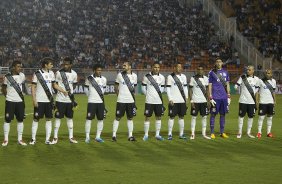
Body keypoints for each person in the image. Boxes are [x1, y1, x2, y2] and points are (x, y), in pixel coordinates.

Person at [29, 57, 67, 145]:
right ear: (46, 65)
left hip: (49, 101)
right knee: (36, 119)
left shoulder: (52, 73)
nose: (52, 66)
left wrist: (63, 90)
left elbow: (54, 85)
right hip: (39, 100)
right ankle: (33, 139)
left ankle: (47, 139)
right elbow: (33, 86)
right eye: (51, 64)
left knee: (49, 119)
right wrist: (34, 99)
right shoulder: (37, 73)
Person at [52, 57, 78, 144]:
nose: (65, 65)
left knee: (70, 118)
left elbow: (74, 85)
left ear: (71, 65)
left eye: (67, 64)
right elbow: (54, 84)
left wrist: (70, 93)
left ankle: (71, 137)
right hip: (60, 100)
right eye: (64, 64)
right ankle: (55, 137)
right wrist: (62, 91)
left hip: (69, 100)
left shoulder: (74, 74)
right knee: (58, 118)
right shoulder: (59, 73)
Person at [1, 60, 27, 146]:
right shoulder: (7, 76)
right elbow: (3, 88)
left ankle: (20, 139)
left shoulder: (22, 75)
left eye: (20, 66)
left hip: (19, 101)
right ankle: (6, 139)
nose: (20, 68)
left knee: (20, 120)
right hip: (10, 101)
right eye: (18, 66)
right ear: (13, 67)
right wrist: (7, 96)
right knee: (7, 120)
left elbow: (22, 85)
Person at [112, 61, 138, 142]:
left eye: (125, 65)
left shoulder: (135, 76)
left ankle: (130, 136)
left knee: (130, 118)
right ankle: (114, 135)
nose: (123, 67)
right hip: (121, 100)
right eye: (123, 65)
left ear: (129, 66)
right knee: (118, 117)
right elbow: (115, 86)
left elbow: (134, 88)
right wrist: (118, 95)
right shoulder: (120, 75)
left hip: (130, 100)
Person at [141, 62, 166, 141]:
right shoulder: (147, 76)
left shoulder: (162, 77)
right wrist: (148, 95)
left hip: (158, 101)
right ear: (152, 67)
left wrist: (157, 95)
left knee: (159, 117)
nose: (156, 69)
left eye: (158, 67)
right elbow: (143, 88)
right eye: (155, 67)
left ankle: (157, 135)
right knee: (147, 117)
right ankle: (146, 135)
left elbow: (162, 89)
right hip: (149, 101)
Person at [234, 65, 260, 138]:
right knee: (241, 116)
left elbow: (257, 91)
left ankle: (249, 132)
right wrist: (236, 87)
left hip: (252, 102)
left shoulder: (257, 79)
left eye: (249, 70)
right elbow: (236, 86)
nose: (248, 71)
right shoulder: (242, 77)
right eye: (247, 69)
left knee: (251, 117)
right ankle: (239, 132)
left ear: (253, 71)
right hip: (243, 100)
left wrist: (257, 101)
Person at [208, 57, 231, 139]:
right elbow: (210, 85)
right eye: (217, 62)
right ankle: (212, 133)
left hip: (224, 97)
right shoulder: (212, 72)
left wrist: (228, 95)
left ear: (222, 63)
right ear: (215, 63)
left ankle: (222, 132)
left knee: (223, 114)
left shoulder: (226, 72)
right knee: (213, 114)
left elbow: (227, 84)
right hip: (215, 97)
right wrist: (210, 97)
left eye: (220, 62)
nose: (218, 63)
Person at [84, 64, 107, 143]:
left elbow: (103, 89)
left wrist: (99, 97)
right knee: (89, 119)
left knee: (101, 119)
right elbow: (86, 89)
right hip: (92, 102)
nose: (99, 71)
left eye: (100, 70)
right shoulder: (89, 78)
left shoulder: (104, 79)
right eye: (98, 70)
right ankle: (87, 137)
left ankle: (98, 137)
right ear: (94, 70)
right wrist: (89, 96)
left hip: (100, 102)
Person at [166, 63, 188, 140]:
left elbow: (185, 88)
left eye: (180, 67)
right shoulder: (170, 77)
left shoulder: (184, 77)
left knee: (181, 117)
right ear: (174, 68)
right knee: (172, 117)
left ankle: (181, 134)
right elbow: (168, 89)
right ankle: (169, 134)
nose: (179, 68)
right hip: (173, 101)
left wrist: (186, 98)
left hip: (182, 101)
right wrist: (170, 99)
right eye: (177, 67)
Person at [188, 64, 210, 140]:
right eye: (198, 69)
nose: (200, 71)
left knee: (204, 117)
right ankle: (192, 134)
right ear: (197, 70)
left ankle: (204, 134)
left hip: (204, 101)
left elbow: (207, 90)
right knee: (194, 117)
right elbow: (190, 90)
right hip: (195, 101)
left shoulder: (206, 79)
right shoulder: (193, 78)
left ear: (203, 71)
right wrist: (191, 101)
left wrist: (208, 100)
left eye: (201, 69)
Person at [256, 69, 276, 138]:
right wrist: (257, 101)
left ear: (271, 74)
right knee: (261, 118)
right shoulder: (261, 81)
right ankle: (259, 132)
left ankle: (269, 132)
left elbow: (273, 92)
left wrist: (274, 101)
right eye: (266, 73)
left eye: (268, 73)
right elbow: (257, 92)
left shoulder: (273, 81)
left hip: (270, 102)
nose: (267, 74)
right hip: (263, 102)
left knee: (270, 118)